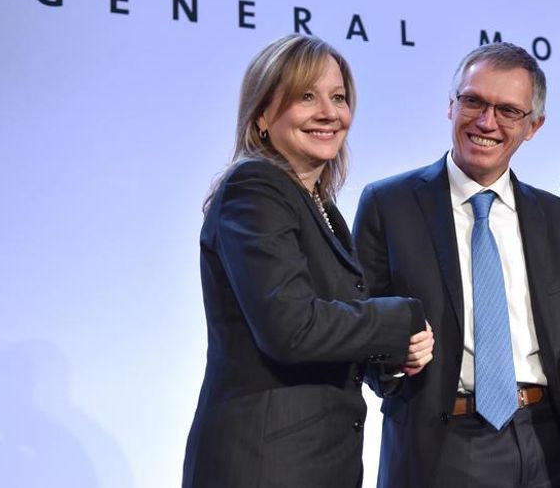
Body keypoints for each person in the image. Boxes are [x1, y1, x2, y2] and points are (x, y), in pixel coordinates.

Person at [354, 42, 560, 487]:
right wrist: (395, 362)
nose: (486, 122)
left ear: (534, 126)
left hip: (548, 438)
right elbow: (360, 324)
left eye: (508, 111)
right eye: (473, 101)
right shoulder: (389, 204)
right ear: (450, 105)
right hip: (443, 442)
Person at [182, 34, 434, 487]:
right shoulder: (254, 188)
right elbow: (291, 329)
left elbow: (330, 330)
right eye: (305, 97)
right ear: (262, 115)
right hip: (266, 466)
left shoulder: (320, 206)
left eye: (338, 97)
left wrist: (392, 358)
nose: (329, 113)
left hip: (313, 463)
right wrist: (403, 318)